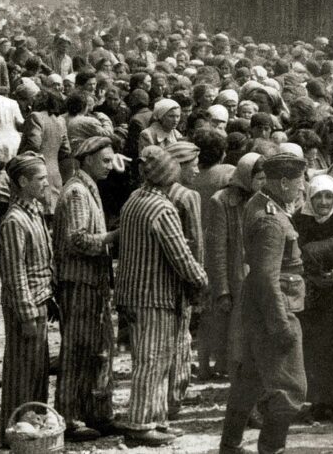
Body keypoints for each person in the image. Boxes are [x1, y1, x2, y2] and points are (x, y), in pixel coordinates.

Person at [116, 146, 208, 446]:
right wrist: (201, 279)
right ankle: (142, 423)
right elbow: (180, 255)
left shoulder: (133, 200)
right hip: (155, 296)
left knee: (148, 359)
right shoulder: (162, 208)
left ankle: (155, 418)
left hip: (131, 292)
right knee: (152, 362)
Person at [219, 152, 309, 454]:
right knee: (290, 389)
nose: (302, 188)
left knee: (250, 382)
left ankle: (230, 446)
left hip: (259, 310)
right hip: (275, 309)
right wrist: (281, 325)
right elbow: (267, 278)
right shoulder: (271, 219)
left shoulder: (261, 203)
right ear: (283, 182)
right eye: (299, 182)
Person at [53, 137, 119, 441]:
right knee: (76, 352)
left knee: (93, 351)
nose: (110, 166)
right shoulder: (77, 192)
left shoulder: (87, 187)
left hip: (91, 282)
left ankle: (91, 411)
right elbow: (77, 239)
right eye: (105, 160)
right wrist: (112, 238)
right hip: (78, 283)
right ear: (88, 159)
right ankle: (68, 417)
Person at [0, 152, 56, 448]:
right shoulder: (14, 222)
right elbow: (15, 275)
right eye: (41, 179)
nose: (46, 184)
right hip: (27, 308)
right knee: (21, 373)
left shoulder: (33, 211)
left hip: (40, 301)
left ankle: (30, 428)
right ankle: (14, 434)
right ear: (23, 182)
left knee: (36, 372)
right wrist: (28, 315)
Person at [293, 174, 333, 424]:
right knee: (315, 349)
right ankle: (319, 402)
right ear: (310, 197)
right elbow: (295, 253)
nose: (323, 201)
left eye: (329, 196)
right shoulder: (301, 220)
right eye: (318, 196)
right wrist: (313, 276)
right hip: (314, 295)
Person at [203, 152, 265, 380]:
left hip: (259, 276)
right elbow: (216, 249)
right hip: (235, 277)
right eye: (259, 179)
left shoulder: (266, 201)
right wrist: (222, 289)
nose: (263, 184)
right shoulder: (221, 201)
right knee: (235, 334)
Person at [163, 141, 204, 418]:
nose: (197, 171)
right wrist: (199, 280)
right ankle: (176, 395)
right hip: (185, 272)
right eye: (193, 165)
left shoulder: (158, 192)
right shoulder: (187, 196)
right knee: (182, 336)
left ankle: (169, 394)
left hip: (163, 274)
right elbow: (197, 242)